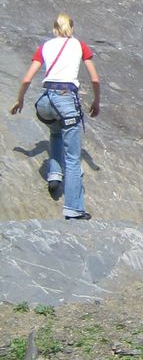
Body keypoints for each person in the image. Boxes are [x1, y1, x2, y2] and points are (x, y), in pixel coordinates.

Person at [10, 13, 101, 220]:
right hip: (66, 99)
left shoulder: (45, 47)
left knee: (56, 133)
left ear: (54, 29)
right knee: (72, 157)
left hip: (45, 102)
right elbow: (94, 78)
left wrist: (20, 100)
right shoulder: (80, 46)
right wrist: (96, 101)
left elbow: (26, 79)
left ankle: (54, 175)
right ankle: (74, 209)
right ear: (72, 28)